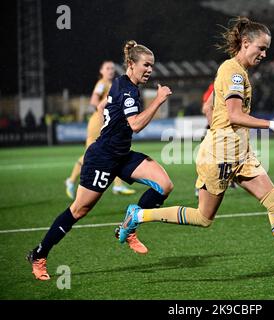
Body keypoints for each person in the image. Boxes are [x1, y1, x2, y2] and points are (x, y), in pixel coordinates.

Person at [118, 17, 274, 286]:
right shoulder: (233, 72)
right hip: (219, 155)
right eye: (260, 48)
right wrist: (271, 124)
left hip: (240, 154)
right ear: (245, 43)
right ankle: (139, 215)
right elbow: (234, 115)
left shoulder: (239, 71)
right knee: (203, 218)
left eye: (266, 50)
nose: (263, 54)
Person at [27, 40, 173, 280]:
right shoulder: (126, 88)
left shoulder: (123, 85)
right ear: (131, 64)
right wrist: (158, 100)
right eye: (146, 65)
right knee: (79, 210)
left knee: (164, 185)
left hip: (122, 155)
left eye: (151, 66)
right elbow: (135, 125)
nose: (149, 70)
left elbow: (107, 106)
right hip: (102, 157)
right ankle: (39, 255)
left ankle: (128, 227)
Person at [65, 60, 136, 199]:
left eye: (112, 68)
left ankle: (117, 185)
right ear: (101, 71)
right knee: (91, 154)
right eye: (107, 68)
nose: (110, 70)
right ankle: (71, 180)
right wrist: (105, 113)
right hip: (98, 123)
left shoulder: (112, 84)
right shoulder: (102, 84)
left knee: (110, 150)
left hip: (106, 122)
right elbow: (93, 102)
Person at [194, 82, 237, 197]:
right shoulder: (217, 85)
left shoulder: (228, 84)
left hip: (223, 128)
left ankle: (229, 180)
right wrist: (215, 128)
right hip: (215, 128)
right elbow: (205, 108)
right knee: (210, 159)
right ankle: (200, 187)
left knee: (227, 156)